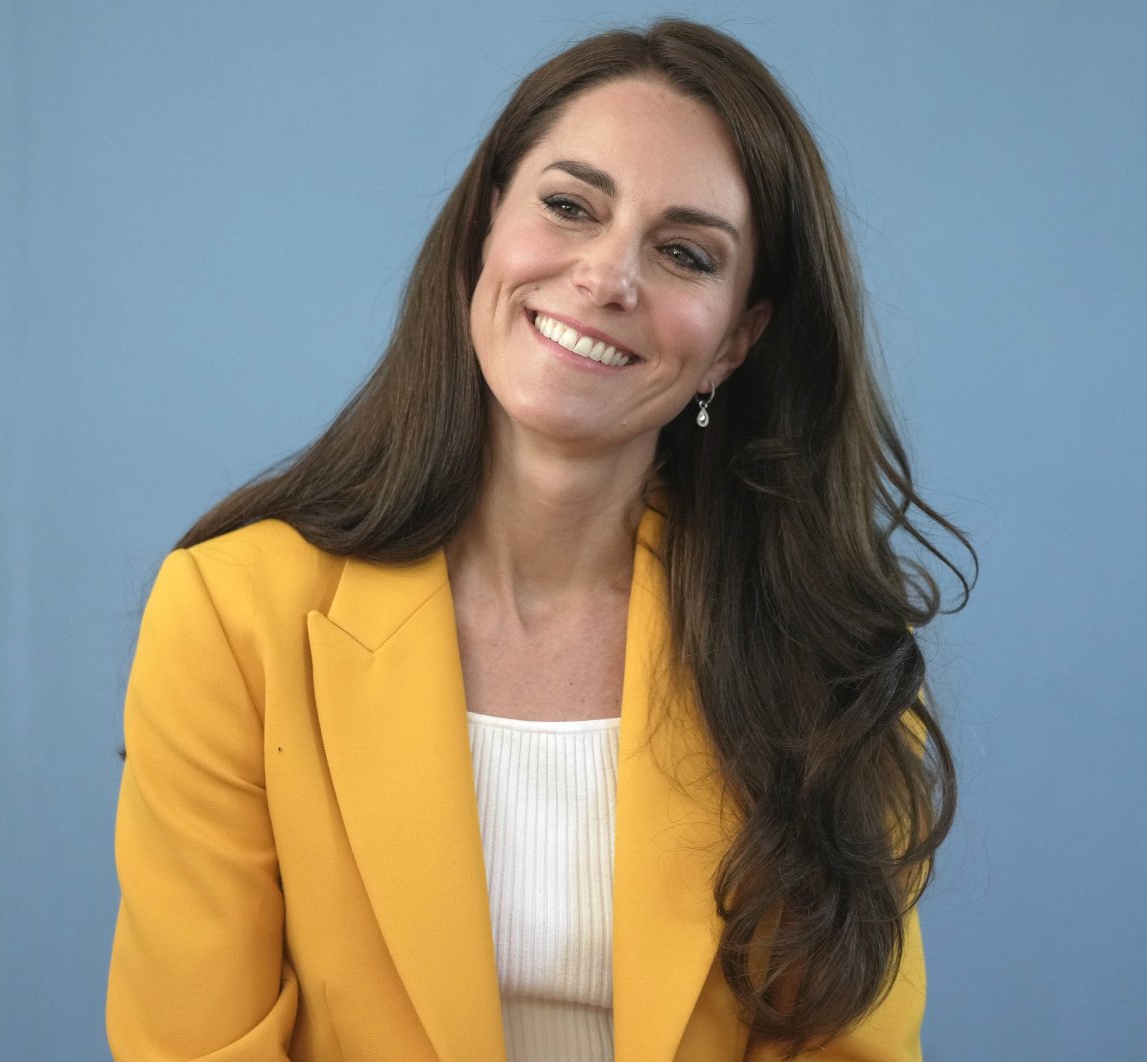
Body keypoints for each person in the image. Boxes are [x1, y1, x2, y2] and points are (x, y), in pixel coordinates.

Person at [107, 18, 972, 1062]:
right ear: (484, 228)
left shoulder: (827, 662)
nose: (609, 278)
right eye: (569, 205)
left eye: (685, 253)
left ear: (734, 344)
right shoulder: (232, 615)